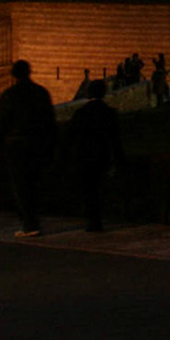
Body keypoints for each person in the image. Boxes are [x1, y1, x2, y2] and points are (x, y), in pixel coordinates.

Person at [0, 59, 56, 237]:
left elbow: (2, 124)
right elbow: (50, 121)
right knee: (35, 183)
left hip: (17, 146)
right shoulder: (41, 93)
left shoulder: (9, 95)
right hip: (38, 144)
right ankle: (34, 220)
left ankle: (29, 223)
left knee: (21, 185)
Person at [63, 79, 126, 233]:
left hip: (84, 156)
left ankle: (92, 220)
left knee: (88, 189)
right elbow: (116, 139)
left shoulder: (81, 113)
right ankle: (97, 219)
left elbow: (70, 136)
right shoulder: (110, 113)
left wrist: (65, 157)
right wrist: (119, 160)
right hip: (102, 155)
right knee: (99, 188)